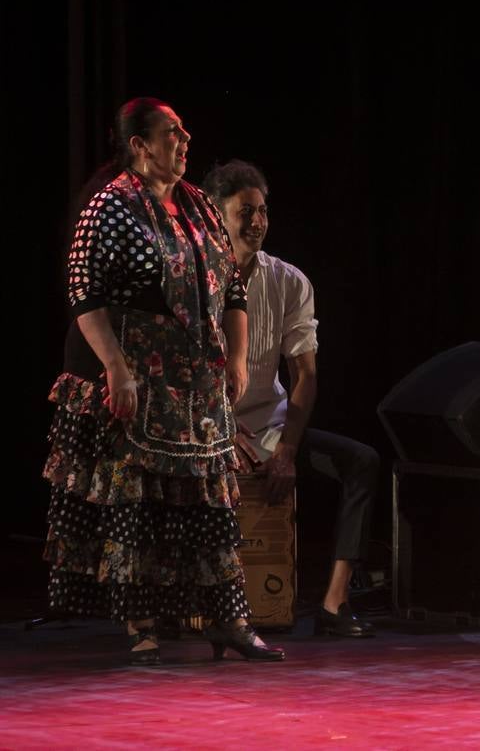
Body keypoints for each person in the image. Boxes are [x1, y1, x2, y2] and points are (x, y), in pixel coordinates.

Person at [43, 97, 283, 664]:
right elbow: (86, 294)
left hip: (198, 385)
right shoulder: (109, 208)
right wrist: (116, 369)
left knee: (212, 508)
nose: (185, 139)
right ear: (140, 145)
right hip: (138, 379)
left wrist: (239, 357)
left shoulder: (197, 205)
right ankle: (142, 625)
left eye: (182, 131)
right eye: (172, 132)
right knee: (138, 505)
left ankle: (228, 621)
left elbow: (234, 288)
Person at [204, 160, 380, 638]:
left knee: (360, 462)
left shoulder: (288, 281)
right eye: (245, 211)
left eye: (262, 210)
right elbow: (184, 375)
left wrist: (285, 450)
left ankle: (334, 602)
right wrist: (221, 434)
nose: (257, 221)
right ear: (216, 215)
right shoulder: (195, 278)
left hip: (271, 428)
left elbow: (305, 374)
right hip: (205, 431)